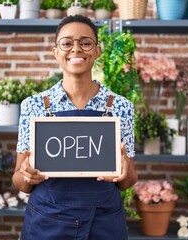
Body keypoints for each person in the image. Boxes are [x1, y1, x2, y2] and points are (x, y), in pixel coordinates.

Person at [12, 15, 138, 240]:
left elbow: (128, 181)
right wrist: (26, 174)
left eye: (86, 42)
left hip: (104, 223)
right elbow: (20, 183)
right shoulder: (34, 105)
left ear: (97, 51)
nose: (76, 49)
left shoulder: (121, 106)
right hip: (47, 222)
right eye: (67, 43)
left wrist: (125, 169)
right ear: (55, 52)